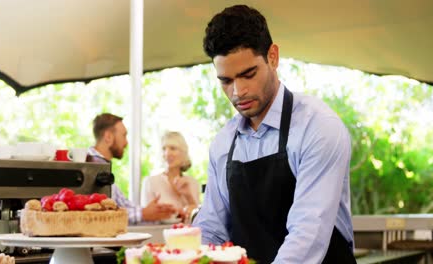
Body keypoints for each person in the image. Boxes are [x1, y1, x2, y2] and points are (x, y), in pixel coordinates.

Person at [192, 5, 356, 264]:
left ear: (273, 57)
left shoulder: (318, 127)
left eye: (248, 74)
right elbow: (212, 228)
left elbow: (307, 235)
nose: (238, 92)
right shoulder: (223, 143)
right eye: (226, 81)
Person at [88, 113, 176, 224]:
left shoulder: (101, 166)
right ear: (108, 137)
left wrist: (152, 211)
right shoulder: (90, 167)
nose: (126, 143)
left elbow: (122, 205)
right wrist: (143, 213)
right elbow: (103, 214)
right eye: (124, 136)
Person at [141, 131, 200, 222]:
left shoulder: (193, 183)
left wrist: (188, 196)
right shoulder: (150, 182)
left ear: (183, 153)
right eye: (164, 149)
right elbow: (147, 219)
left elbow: (199, 219)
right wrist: (175, 213)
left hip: (188, 235)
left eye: (173, 148)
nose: (167, 153)